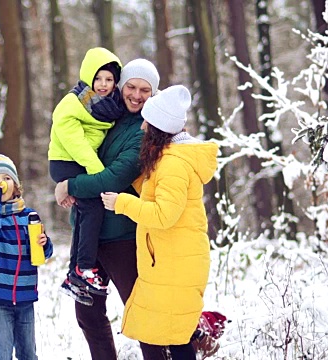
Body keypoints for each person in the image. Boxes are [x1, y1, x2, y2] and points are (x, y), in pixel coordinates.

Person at [54, 58, 166, 359]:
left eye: (145, 90)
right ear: (120, 86)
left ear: (153, 94)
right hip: (89, 235)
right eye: (131, 86)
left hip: (121, 236)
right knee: (88, 315)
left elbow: (114, 178)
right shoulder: (107, 114)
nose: (137, 95)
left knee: (140, 312)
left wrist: (69, 186)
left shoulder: (146, 131)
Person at [100, 85, 218, 360]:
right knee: (172, 334)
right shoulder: (170, 160)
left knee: (176, 338)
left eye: (147, 121)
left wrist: (122, 204)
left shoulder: (173, 164)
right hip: (173, 260)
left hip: (176, 263)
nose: (141, 127)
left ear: (159, 128)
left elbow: (165, 214)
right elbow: (160, 191)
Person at [48, 47, 126, 301]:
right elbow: (76, 143)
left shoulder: (109, 105)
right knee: (92, 208)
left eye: (109, 79)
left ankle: (74, 273)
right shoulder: (73, 103)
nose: (103, 84)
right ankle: (83, 267)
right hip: (67, 161)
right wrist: (97, 172)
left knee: (84, 211)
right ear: (88, 76)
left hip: (81, 162)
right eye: (99, 78)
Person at [0, 153, 54, 360]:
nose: (1, 183)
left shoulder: (29, 215)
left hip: (25, 296)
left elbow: (43, 254)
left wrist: (45, 244)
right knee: (2, 354)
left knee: (28, 354)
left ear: (17, 185)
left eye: (7, 178)